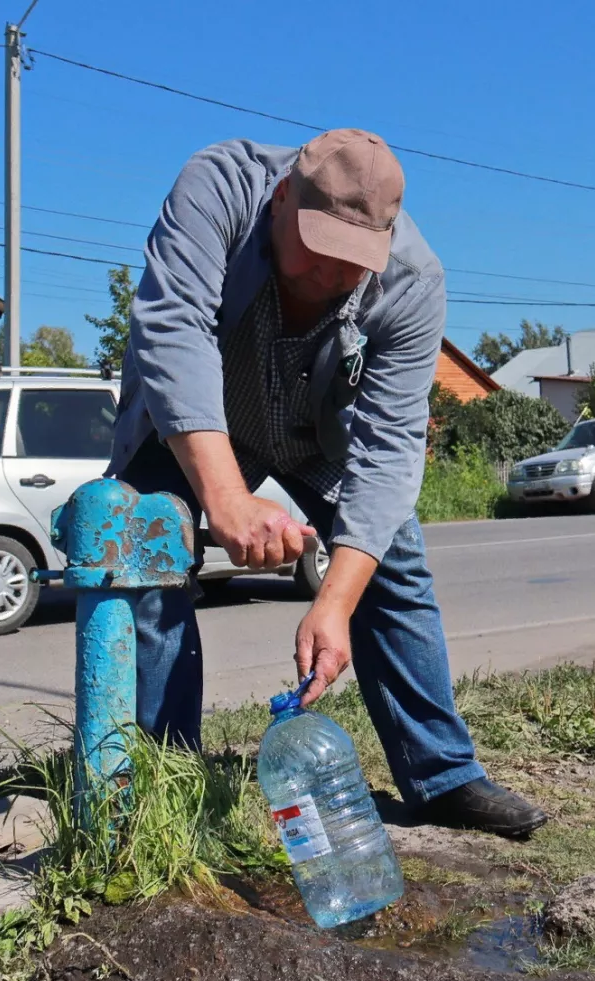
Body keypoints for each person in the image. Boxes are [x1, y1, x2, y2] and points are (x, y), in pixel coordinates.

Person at [106, 129, 545, 838]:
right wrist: (223, 498)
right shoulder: (217, 189)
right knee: (148, 541)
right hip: (202, 424)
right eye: (317, 252)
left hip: (318, 435)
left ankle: (443, 777)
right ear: (282, 200)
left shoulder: (413, 279)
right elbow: (172, 331)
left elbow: (391, 447)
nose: (327, 278)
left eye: (352, 264)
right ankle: (163, 785)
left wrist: (334, 603)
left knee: (391, 562)